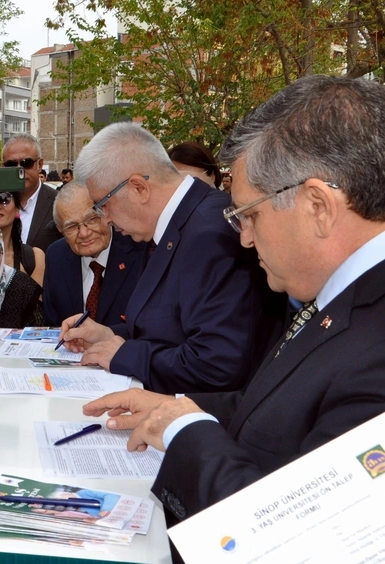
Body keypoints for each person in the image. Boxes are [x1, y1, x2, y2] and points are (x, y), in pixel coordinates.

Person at [82, 75, 385, 535]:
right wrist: (170, 407)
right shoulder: (341, 299)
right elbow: (274, 405)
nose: (243, 237)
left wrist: (185, 432)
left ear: (318, 206)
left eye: (250, 215)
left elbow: (302, 534)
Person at [60, 122, 284, 393]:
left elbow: (218, 364)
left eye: (103, 205)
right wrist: (110, 336)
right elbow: (171, 326)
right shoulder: (174, 225)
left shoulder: (209, 235)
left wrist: (126, 355)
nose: (105, 219)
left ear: (139, 188)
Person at [43, 182, 145, 327]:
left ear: (106, 212)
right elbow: (52, 322)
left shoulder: (138, 248)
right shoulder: (56, 256)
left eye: (91, 219)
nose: (84, 233)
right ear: (61, 231)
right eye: (71, 227)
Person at [2, 134, 62, 251]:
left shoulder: (59, 202)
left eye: (26, 163)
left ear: (39, 165)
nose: (20, 170)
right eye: (11, 165)